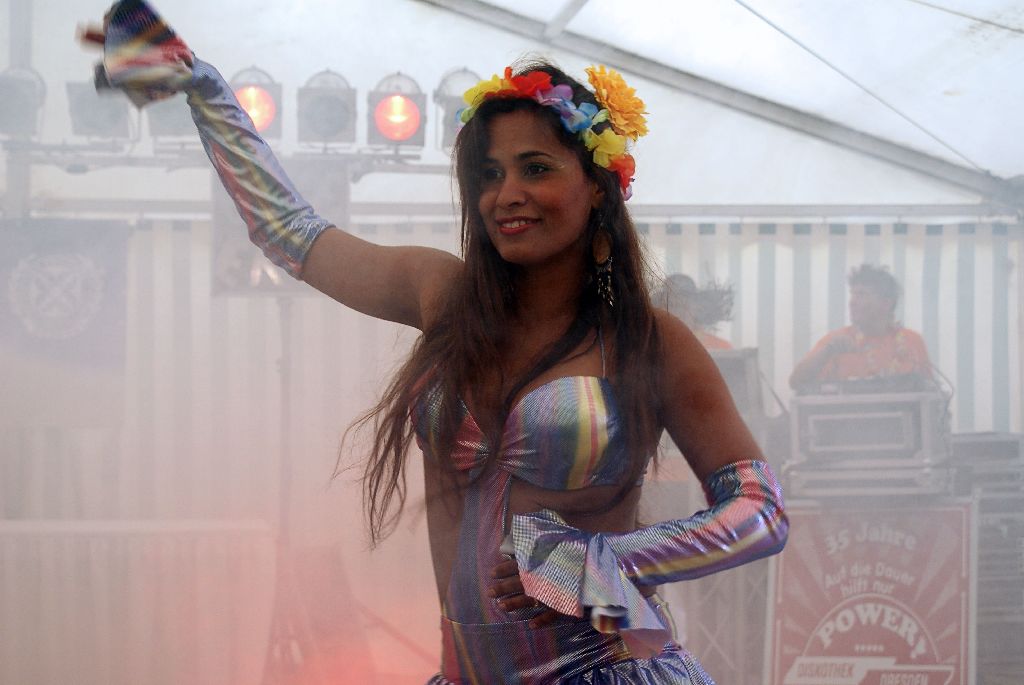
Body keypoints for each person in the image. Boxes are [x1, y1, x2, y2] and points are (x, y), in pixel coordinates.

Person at [85, 2, 788, 682]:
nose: (506, 193)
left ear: (598, 186)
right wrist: (205, 89)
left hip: (611, 667)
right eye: (490, 174)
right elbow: (290, 232)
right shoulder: (443, 297)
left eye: (536, 168)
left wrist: (605, 558)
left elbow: (759, 511)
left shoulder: (650, 342)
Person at [789, 264, 933, 392]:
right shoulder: (836, 341)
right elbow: (796, 382)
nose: (852, 302)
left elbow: (931, 393)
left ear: (886, 304)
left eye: (862, 294)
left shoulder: (912, 341)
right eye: (852, 294)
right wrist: (827, 351)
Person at [651, 274, 734, 350]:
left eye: (683, 305)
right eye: (670, 305)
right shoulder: (650, 346)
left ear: (698, 307)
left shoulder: (721, 347)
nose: (675, 312)